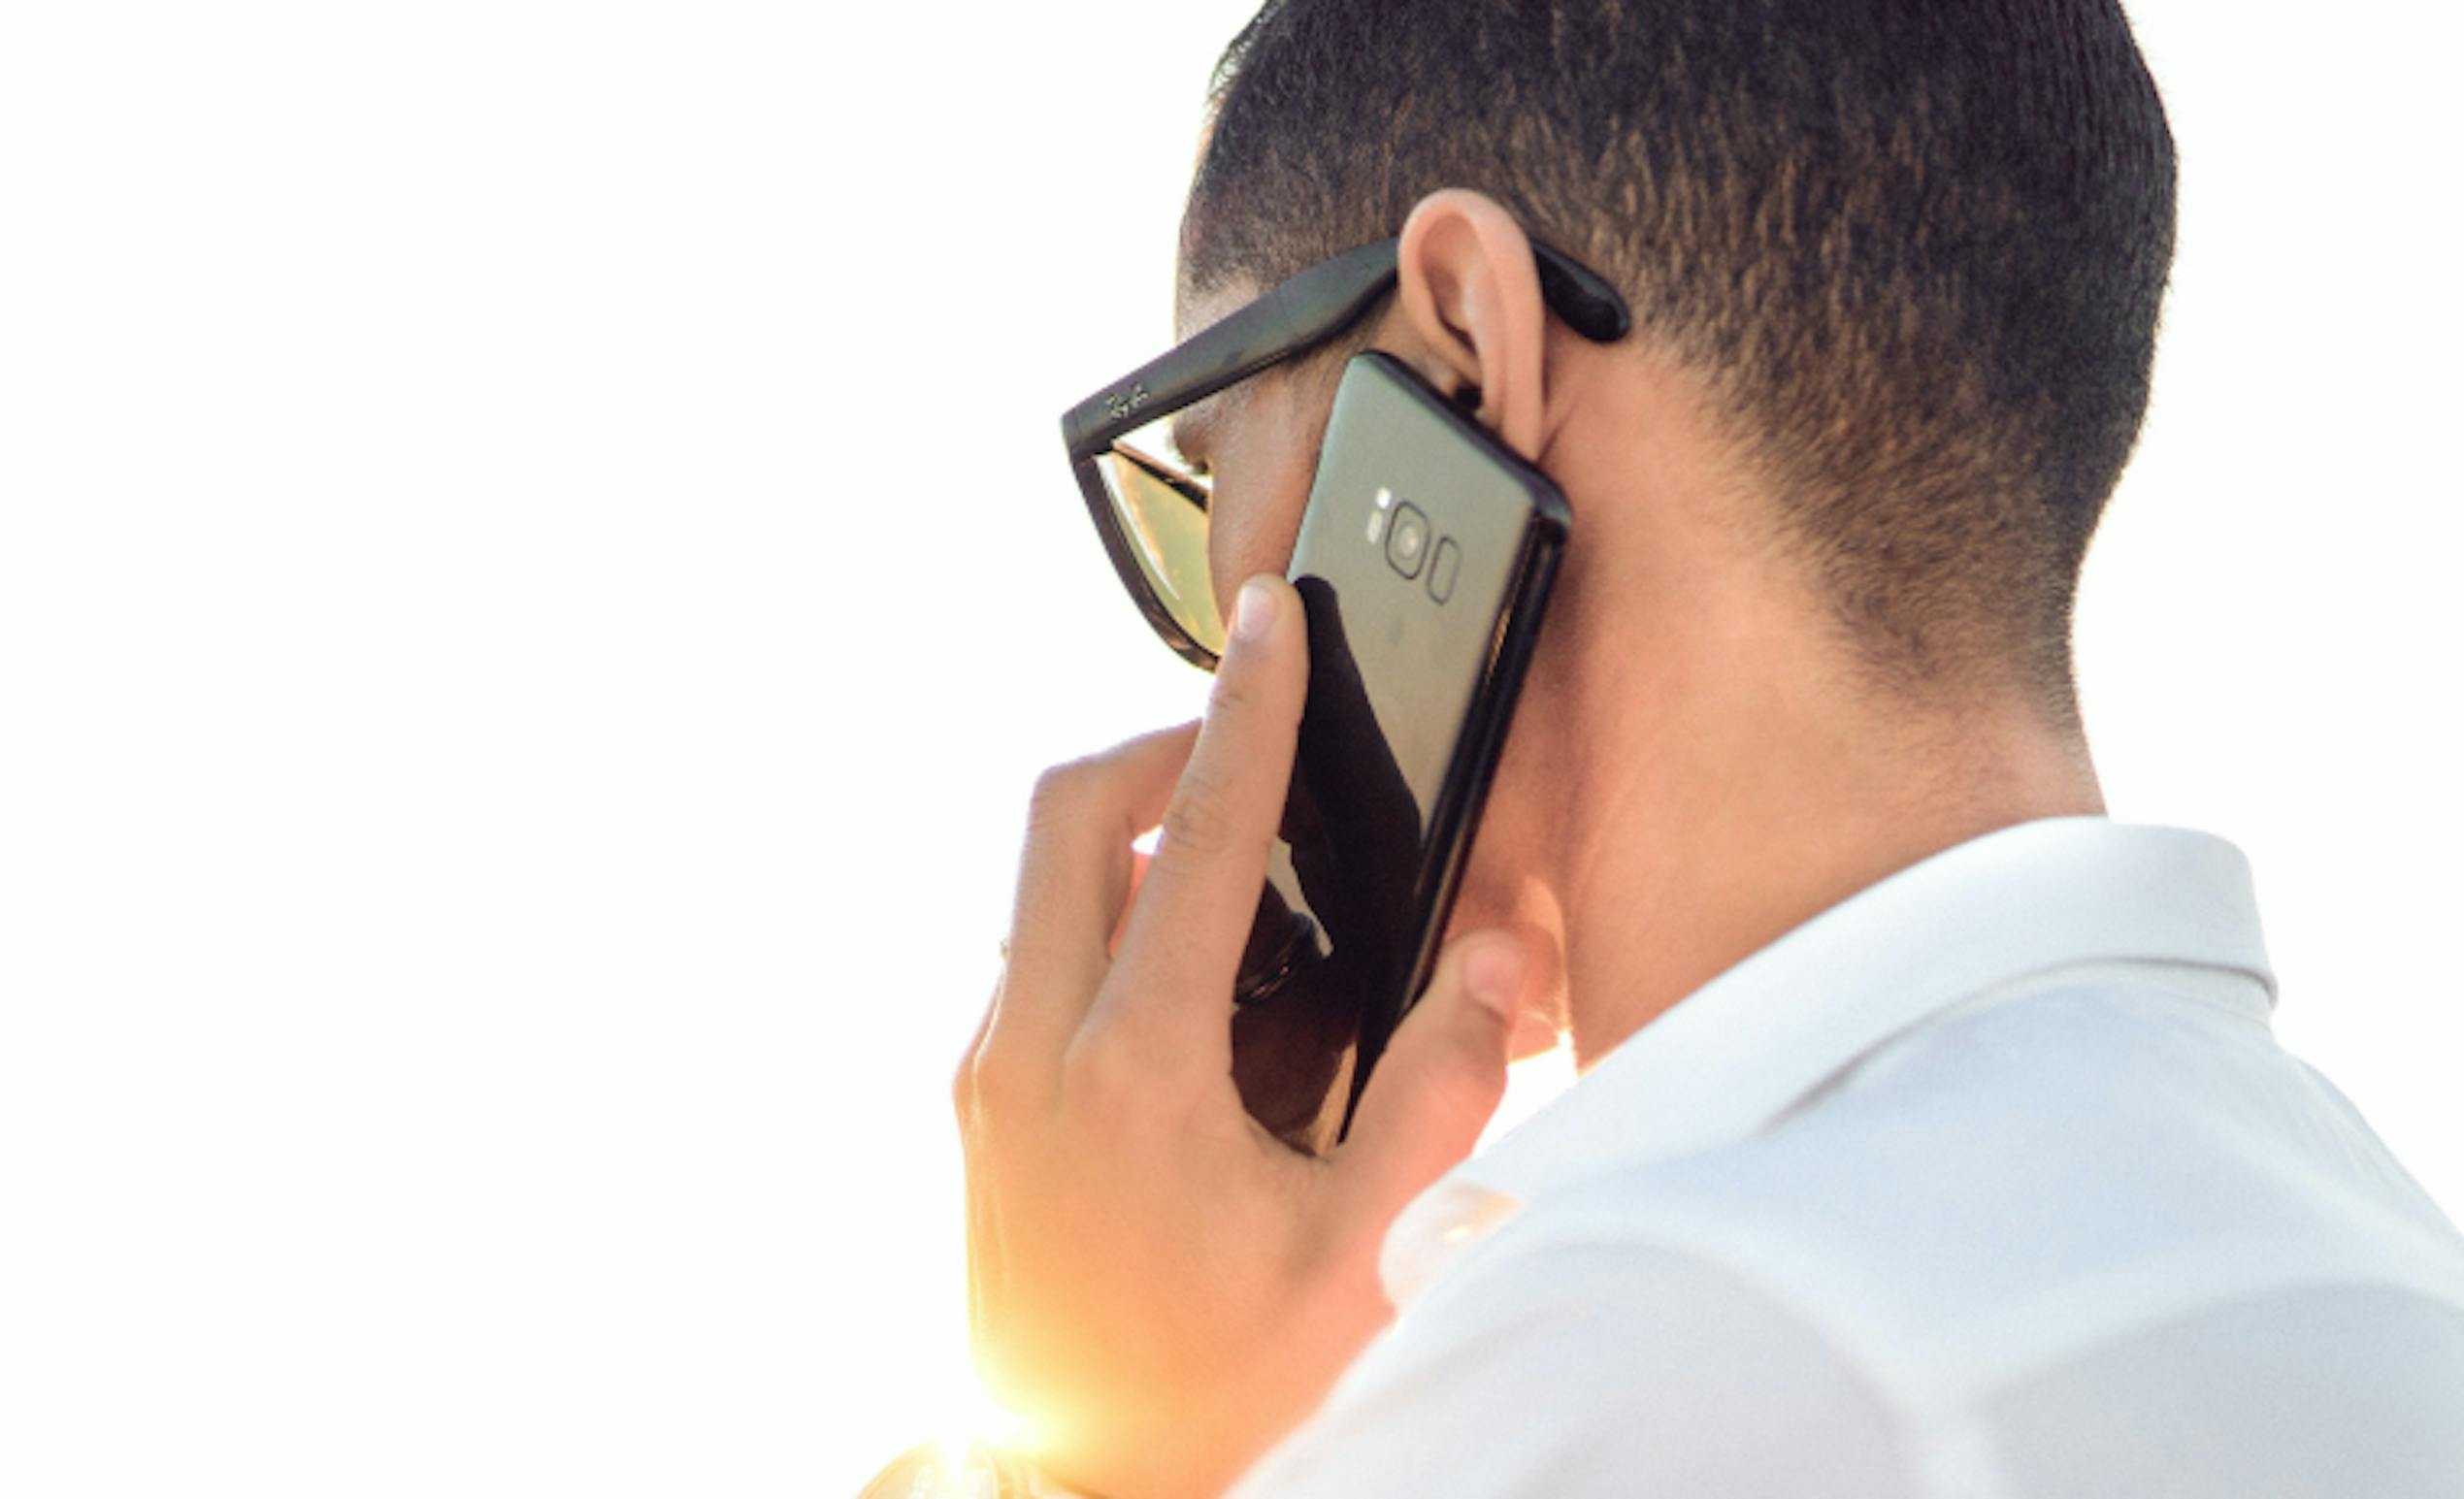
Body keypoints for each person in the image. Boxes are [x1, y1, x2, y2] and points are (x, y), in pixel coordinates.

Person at [947, 3, 2464, 1496]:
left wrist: (1148, 1445)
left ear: (1465, 359)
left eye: (1212, 475)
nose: (1223, 631)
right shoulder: (2385, 1265)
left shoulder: (1658, 1372)